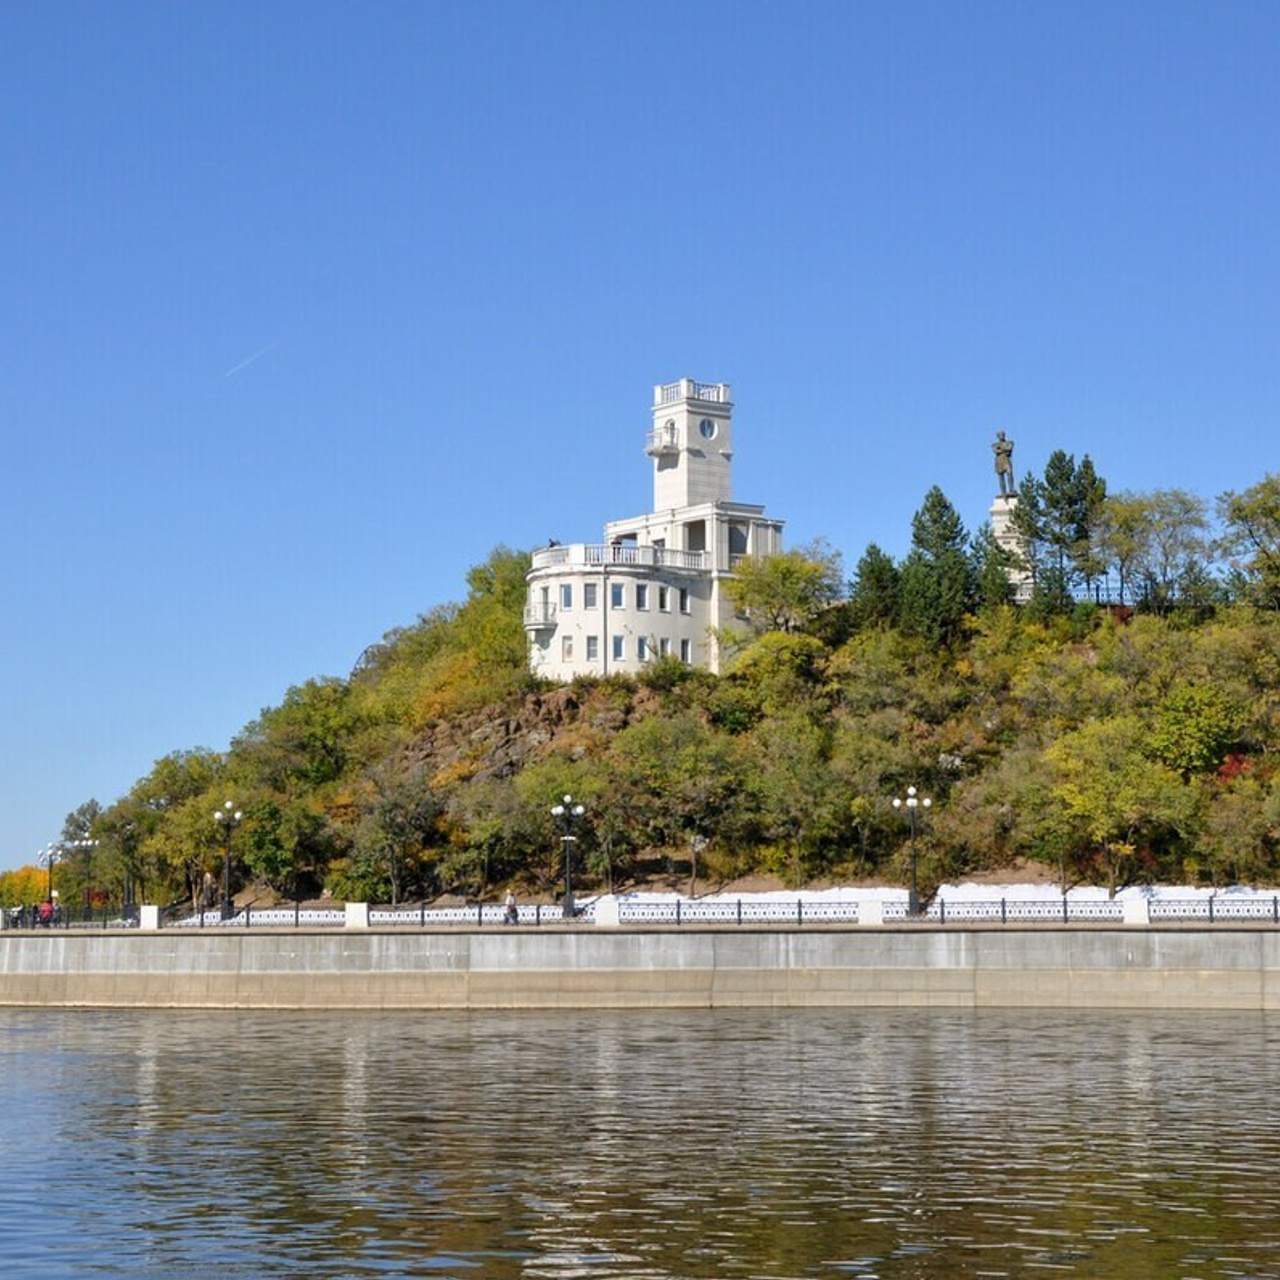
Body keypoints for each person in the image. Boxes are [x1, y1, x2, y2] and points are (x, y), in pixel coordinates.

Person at [992, 431, 1015, 498]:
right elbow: (995, 450)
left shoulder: (1009, 443)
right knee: (1001, 477)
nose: (1001, 436)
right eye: (1000, 435)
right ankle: (1003, 492)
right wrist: (1005, 450)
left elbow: (1010, 448)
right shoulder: (995, 445)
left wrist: (1001, 449)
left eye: (1002, 435)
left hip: (1006, 460)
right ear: (998, 437)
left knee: (1010, 474)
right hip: (999, 461)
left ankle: (1011, 490)